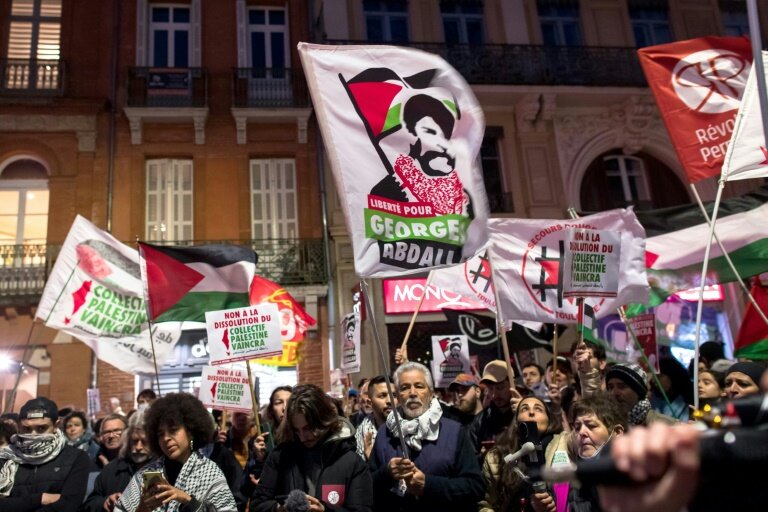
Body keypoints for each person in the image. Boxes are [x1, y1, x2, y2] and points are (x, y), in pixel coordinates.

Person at [369, 362, 484, 512]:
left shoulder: (454, 432)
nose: (412, 393)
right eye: (404, 388)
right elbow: (365, 485)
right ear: (397, 396)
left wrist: (428, 485)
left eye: (419, 386)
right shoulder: (385, 433)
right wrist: (386, 474)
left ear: (430, 393)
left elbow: (475, 487)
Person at [251, 384, 373, 512]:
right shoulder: (280, 456)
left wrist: (326, 511)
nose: (303, 437)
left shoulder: (351, 462)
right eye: (297, 430)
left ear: (324, 420)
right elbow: (257, 505)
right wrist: (280, 508)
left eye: (308, 428)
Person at [114, 393, 236, 512]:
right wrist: (141, 509)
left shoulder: (209, 473)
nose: (166, 438)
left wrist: (188, 501)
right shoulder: (146, 474)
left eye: (173, 430)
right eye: (160, 434)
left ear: (190, 431)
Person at [0, 397, 90, 511]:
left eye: (41, 428)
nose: (33, 435)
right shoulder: (5, 458)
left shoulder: (75, 458)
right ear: (19, 426)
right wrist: (40, 499)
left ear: (56, 426)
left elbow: (69, 504)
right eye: (27, 429)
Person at [479, 396, 566, 512]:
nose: (531, 412)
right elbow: (487, 504)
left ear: (548, 420)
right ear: (516, 421)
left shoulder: (563, 444)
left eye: (538, 409)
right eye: (524, 409)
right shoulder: (496, 456)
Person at [82, 412, 155, 512]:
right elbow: (89, 503)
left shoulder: (164, 467)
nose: (138, 447)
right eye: (134, 441)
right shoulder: (111, 469)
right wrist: (105, 502)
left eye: (144, 441)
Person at [470, 360, 522, 457]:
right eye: (490, 389)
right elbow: (471, 459)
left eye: (500, 387)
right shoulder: (480, 421)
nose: (494, 395)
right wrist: (483, 456)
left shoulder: (528, 413)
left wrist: (524, 413)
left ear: (512, 384)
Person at [602, 363, 675, 427]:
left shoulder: (666, 427)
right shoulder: (605, 424)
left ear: (639, 392)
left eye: (622, 386)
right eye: (610, 387)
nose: (614, 393)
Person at [355, 375, 395, 460]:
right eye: (382, 396)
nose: (389, 400)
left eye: (394, 395)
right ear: (370, 403)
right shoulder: (362, 433)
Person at [650, 357, 693, 421]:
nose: (654, 380)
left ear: (672, 375)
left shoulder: (690, 401)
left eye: (659, 376)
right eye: (653, 376)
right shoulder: (652, 399)